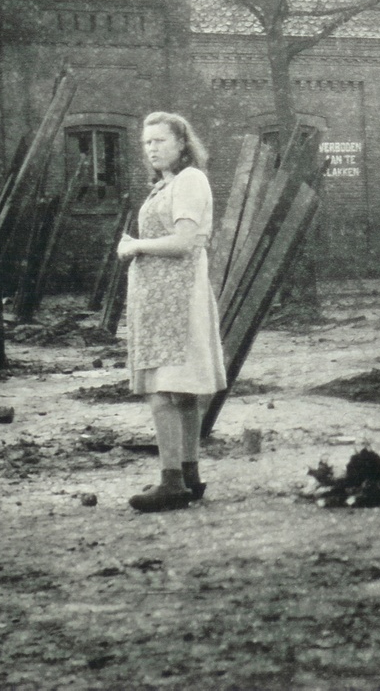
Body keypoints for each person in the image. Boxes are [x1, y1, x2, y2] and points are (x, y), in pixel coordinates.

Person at [118, 112, 227, 513]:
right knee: (178, 392)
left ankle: (171, 482)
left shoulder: (190, 180)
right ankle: (189, 475)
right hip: (160, 296)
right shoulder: (163, 186)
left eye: (160, 141)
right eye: (147, 143)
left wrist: (135, 247)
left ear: (182, 144)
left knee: (164, 389)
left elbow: (183, 241)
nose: (152, 149)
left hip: (178, 296)